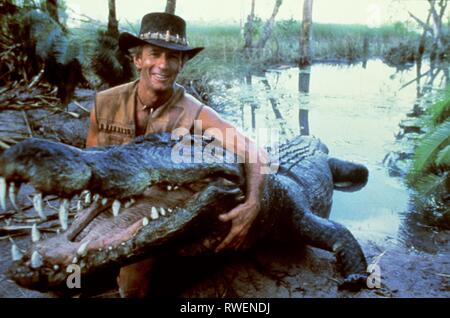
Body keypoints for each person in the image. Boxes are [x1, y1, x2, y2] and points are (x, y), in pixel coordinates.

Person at [86, 12, 268, 297]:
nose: (162, 64)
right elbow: (90, 165)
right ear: (137, 60)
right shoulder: (104, 104)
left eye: (172, 57)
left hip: (158, 213)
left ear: (181, 64)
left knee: (133, 282)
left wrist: (253, 204)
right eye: (154, 54)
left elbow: (252, 150)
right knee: (67, 273)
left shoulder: (196, 112)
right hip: (112, 205)